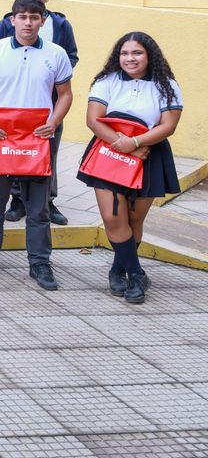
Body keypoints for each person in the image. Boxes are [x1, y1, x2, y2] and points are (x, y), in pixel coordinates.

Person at [0, 0, 73, 291]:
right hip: (0, 137)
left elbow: (65, 94)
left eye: (34, 17)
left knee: (38, 207)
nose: (28, 22)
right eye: (22, 16)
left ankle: (40, 261)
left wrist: (53, 122)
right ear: (12, 19)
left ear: (42, 20)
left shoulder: (56, 54)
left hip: (37, 139)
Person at [77, 32, 181, 304]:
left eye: (137, 53)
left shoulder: (166, 84)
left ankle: (117, 269)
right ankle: (136, 275)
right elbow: (93, 120)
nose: (130, 58)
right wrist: (125, 145)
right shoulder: (106, 81)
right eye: (125, 53)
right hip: (108, 153)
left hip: (150, 156)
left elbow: (168, 125)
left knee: (134, 219)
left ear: (149, 56)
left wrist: (136, 142)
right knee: (113, 218)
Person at [0, 0, 79, 227]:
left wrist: (52, 75)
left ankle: (47, 201)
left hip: (49, 98)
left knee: (46, 150)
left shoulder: (61, 24)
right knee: (14, 148)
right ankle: (17, 200)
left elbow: (71, 56)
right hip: (15, 101)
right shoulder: (7, 22)